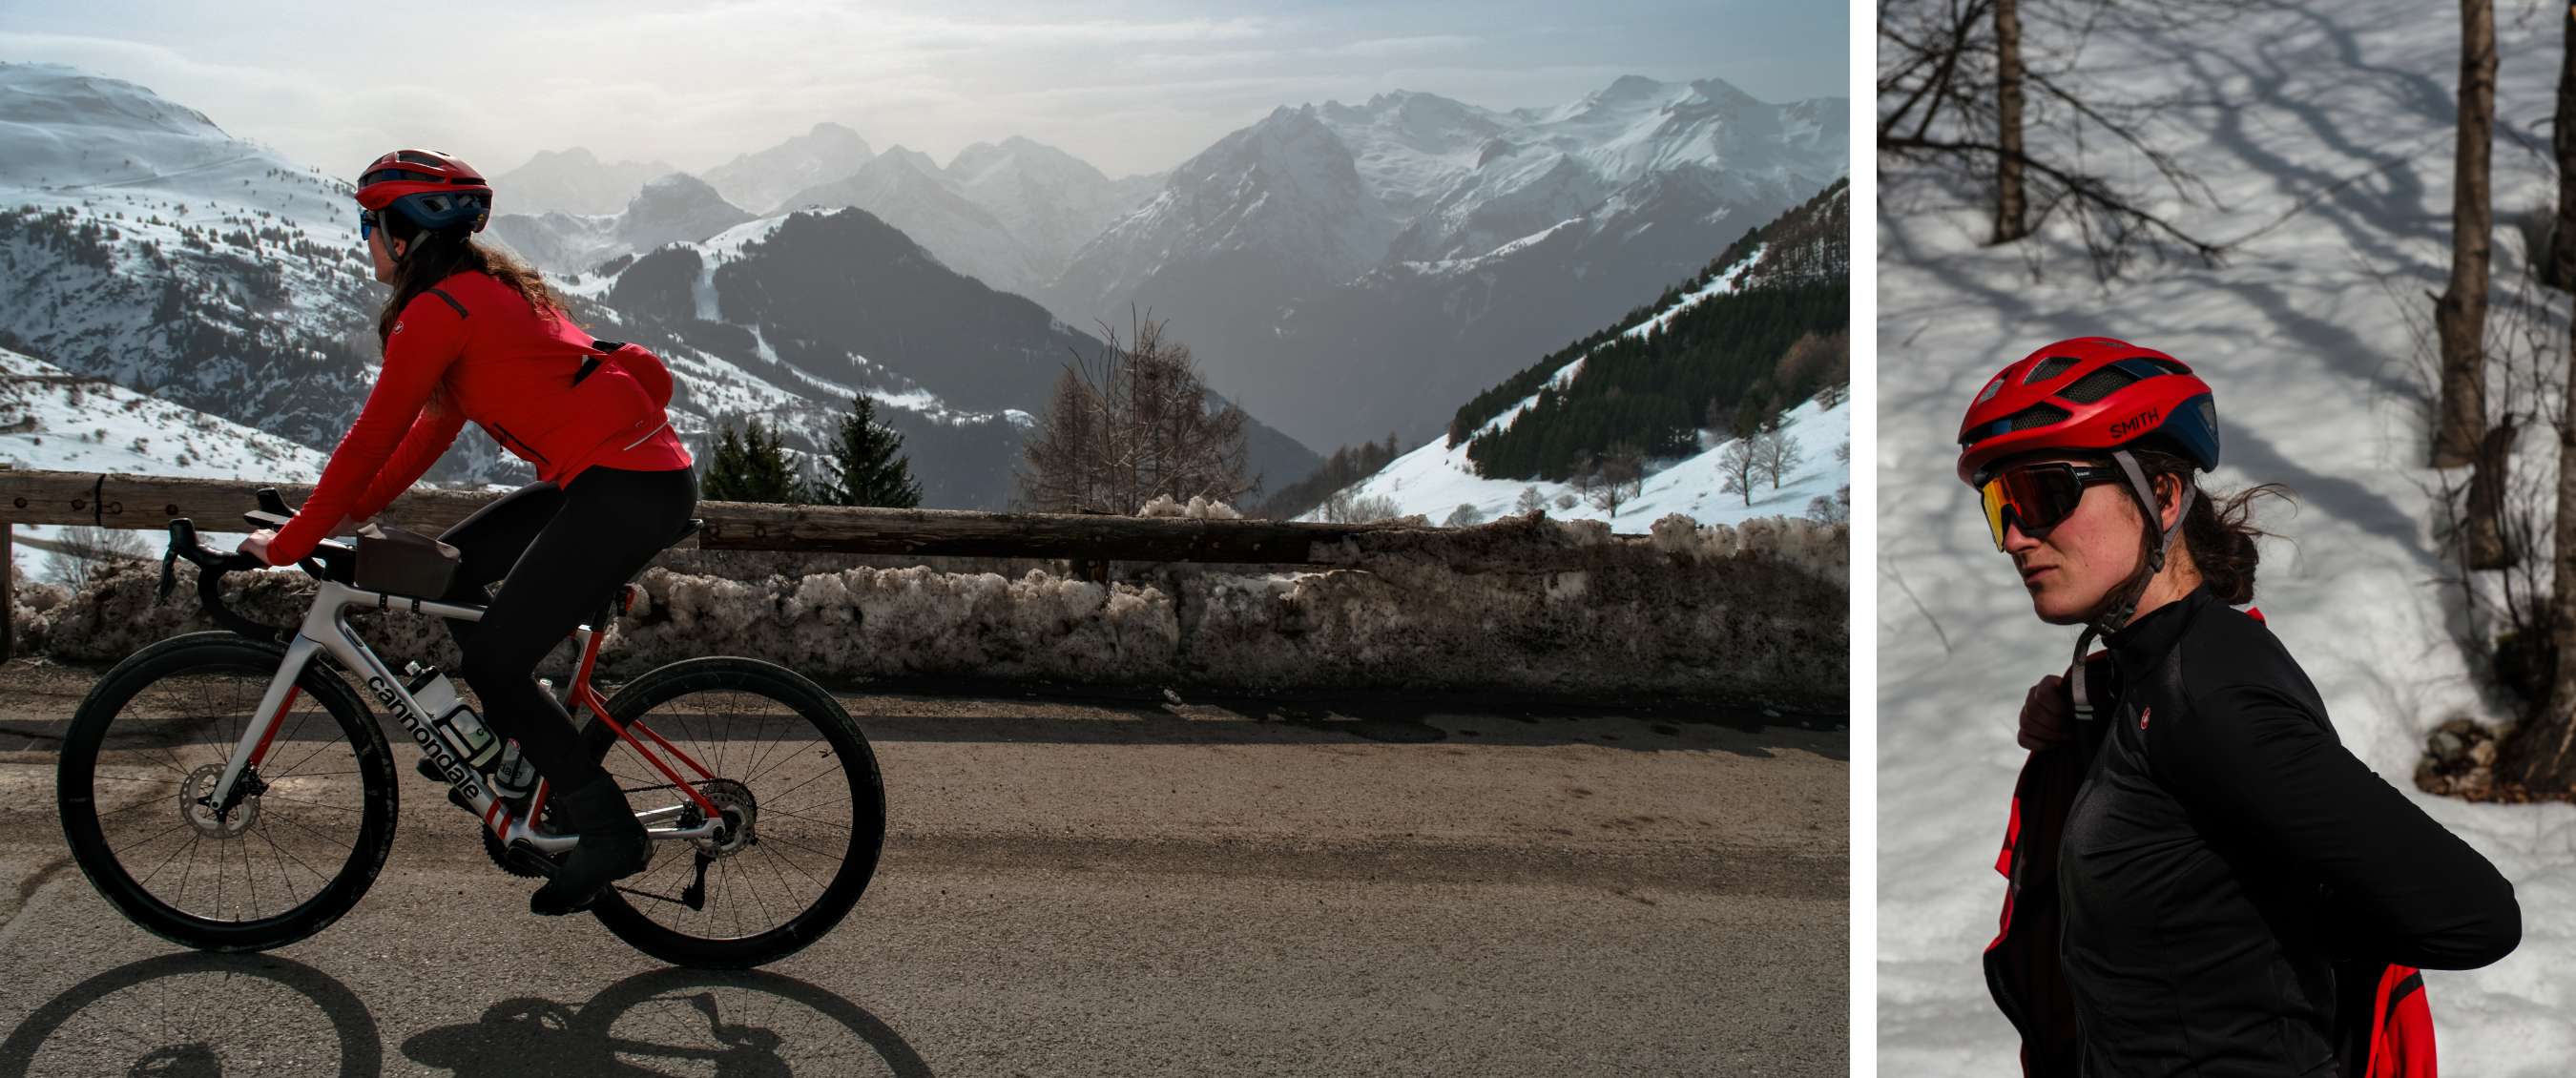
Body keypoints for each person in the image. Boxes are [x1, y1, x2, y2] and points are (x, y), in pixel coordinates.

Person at [1960, 337, 2520, 1076]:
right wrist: (2086, 727)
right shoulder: (2146, 680)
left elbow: (2474, 915)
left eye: (2043, 494)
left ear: (2161, 494)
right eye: (2002, 507)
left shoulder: (2212, 695)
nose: (2017, 537)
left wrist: (2281, 919)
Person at [239, 149, 698, 916]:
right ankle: (519, 751)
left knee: (494, 661)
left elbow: (369, 438)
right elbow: (421, 439)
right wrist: (342, 517)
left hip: (626, 490)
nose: (365, 241)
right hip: (613, 479)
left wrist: (290, 547)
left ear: (401, 231)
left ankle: (609, 831)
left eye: (368, 225)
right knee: (447, 569)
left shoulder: (437, 312)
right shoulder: (476, 293)